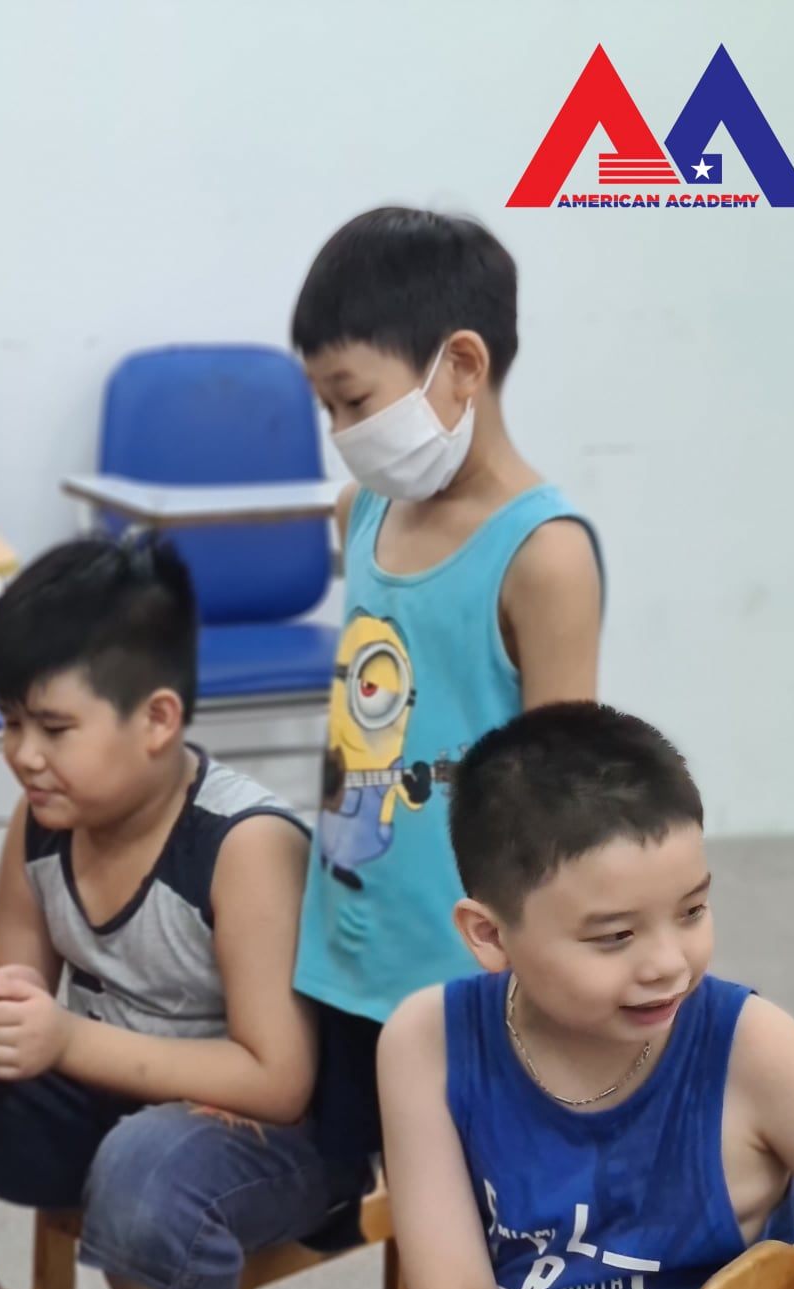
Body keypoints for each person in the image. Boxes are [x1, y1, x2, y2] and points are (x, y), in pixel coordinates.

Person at [190, 702, 794, 1289]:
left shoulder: (752, 1051)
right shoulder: (428, 1039)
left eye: (692, 910)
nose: (669, 962)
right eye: (615, 936)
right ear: (489, 935)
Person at [0, 536, 333, 1289]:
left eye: (53, 728)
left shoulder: (244, 844)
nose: (23, 755)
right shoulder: (46, 816)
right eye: (11, 723)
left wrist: (68, 1040)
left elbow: (278, 1078)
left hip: (268, 1141)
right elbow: (1, 979)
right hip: (111, 1107)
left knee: (145, 1175)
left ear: (158, 720)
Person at [288, 206, 605, 1204]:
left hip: (468, 978)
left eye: (354, 400)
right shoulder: (363, 512)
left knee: (477, 1221)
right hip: (346, 950)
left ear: (461, 365)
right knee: (383, 1198)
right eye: (326, 408)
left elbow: (562, 804)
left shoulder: (544, 555)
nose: (341, 435)